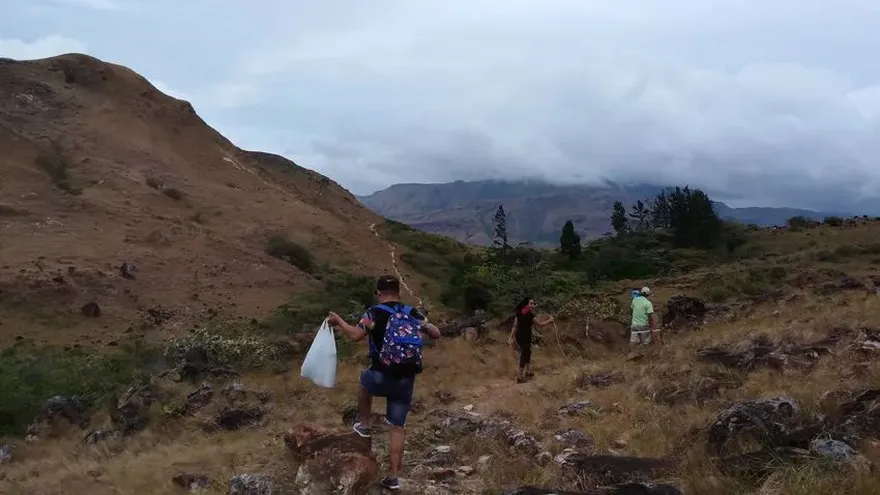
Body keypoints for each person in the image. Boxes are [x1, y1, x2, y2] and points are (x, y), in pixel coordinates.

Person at [327, 275, 440, 491]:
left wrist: (339, 321)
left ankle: (365, 425)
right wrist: (423, 325)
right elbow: (436, 333)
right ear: (398, 292)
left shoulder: (373, 313)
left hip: (380, 374)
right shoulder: (411, 312)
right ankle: (393, 477)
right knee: (398, 427)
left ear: (378, 293)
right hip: (406, 379)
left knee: (363, 381)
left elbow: (355, 336)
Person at [507, 297, 554, 383]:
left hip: (520, 335)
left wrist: (510, 337)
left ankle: (528, 371)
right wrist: (550, 320)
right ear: (526, 304)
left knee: (527, 351)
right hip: (524, 336)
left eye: (533, 303)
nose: (533, 305)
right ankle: (520, 376)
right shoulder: (530, 315)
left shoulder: (519, 313)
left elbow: (514, 327)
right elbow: (540, 324)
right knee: (525, 353)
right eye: (531, 303)